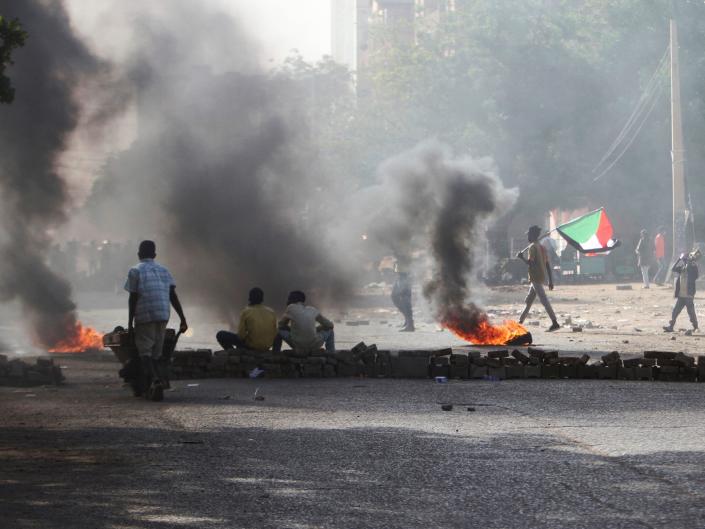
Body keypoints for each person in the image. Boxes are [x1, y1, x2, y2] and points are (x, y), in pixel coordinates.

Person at [125, 240, 187, 401]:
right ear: (154, 255)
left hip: (145, 315)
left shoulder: (135, 271)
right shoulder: (164, 270)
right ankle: (155, 381)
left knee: (144, 352)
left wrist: (130, 323)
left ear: (139, 255)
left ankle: (155, 380)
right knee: (156, 353)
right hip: (163, 314)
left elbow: (133, 298)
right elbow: (173, 296)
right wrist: (182, 318)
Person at [516, 225, 560, 331]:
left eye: (528, 235)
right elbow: (547, 265)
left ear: (532, 235)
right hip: (539, 277)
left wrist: (521, 258)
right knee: (528, 301)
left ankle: (555, 322)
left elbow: (531, 263)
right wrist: (550, 280)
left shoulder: (532, 248)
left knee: (544, 300)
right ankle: (520, 323)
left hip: (535, 278)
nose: (527, 237)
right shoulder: (542, 248)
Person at [216, 287, 277, 351]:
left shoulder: (246, 311)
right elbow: (275, 333)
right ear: (262, 299)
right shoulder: (271, 312)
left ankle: (233, 352)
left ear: (250, 298)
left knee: (220, 334)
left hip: (252, 346)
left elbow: (241, 336)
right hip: (267, 346)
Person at [663, 249, 700, 333]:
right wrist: (679, 259)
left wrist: (691, 261)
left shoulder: (692, 268)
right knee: (675, 311)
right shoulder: (682, 268)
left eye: (685, 259)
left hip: (689, 295)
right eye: (684, 260)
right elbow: (673, 268)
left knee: (691, 313)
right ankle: (671, 326)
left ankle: (696, 327)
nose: (685, 261)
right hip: (681, 295)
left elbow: (696, 274)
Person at [391, 259, 414, 332]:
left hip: (405, 274)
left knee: (405, 298)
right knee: (394, 296)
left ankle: (410, 325)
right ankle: (407, 321)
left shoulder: (406, 249)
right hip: (400, 273)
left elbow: (409, 255)